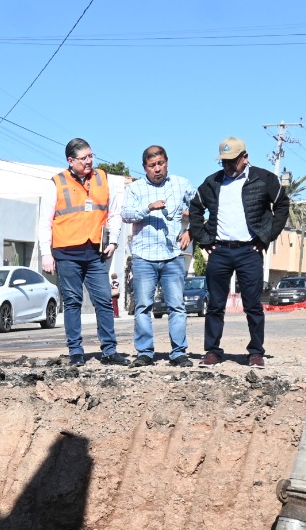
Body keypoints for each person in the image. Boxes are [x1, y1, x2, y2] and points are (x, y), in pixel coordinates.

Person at [188, 137, 288, 367]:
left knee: (253, 305)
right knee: (214, 304)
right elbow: (195, 208)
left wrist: (266, 237)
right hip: (220, 251)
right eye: (224, 162)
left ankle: (255, 352)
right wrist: (204, 239)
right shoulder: (212, 182)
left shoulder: (263, 179)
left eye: (232, 161)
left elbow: (282, 204)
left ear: (245, 158)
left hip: (249, 251)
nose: (228, 166)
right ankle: (212, 351)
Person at [40, 138, 124, 366]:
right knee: (72, 302)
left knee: (104, 301)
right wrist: (45, 253)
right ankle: (76, 351)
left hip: (95, 252)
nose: (89, 161)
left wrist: (114, 240)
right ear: (70, 160)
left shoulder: (103, 178)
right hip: (67, 253)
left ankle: (109, 350)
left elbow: (114, 212)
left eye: (91, 156)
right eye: (84, 158)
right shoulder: (56, 183)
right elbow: (44, 221)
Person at [121, 144, 196, 366]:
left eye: (161, 164)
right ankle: (144, 352)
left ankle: (179, 353)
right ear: (144, 167)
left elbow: (203, 207)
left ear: (167, 163)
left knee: (177, 306)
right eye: (152, 165)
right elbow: (125, 213)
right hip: (144, 257)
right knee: (143, 306)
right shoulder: (135, 189)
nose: (157, 169)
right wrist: (148, 208)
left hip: (172, 255)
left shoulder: (181, 184)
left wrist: (191, 231)